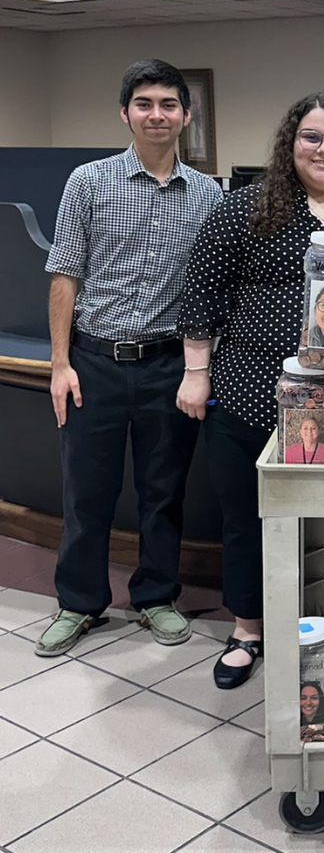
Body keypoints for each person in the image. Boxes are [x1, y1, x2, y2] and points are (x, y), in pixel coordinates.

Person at [177, 91, 324, 690]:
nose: (323, 149)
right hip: (254, 391)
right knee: (250, 517)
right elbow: (202, 290)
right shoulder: (246, 208)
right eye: (311, 136)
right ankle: (248, 630)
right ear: (291, 143)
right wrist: (195, 371)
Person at [36, 60, 222, 658]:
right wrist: (60, 363)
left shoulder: (208, 194)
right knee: (85, 494)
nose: (156, 115)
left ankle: (156, 596)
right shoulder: (88, 182)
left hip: (168, 365)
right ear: (125, 113)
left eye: (168, 104)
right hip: (94, 363)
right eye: (144, 103)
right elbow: (64, 274)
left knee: (162, 493)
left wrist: (200, 367)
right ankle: (78, 602)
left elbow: (209, 286)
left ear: (186, 116)